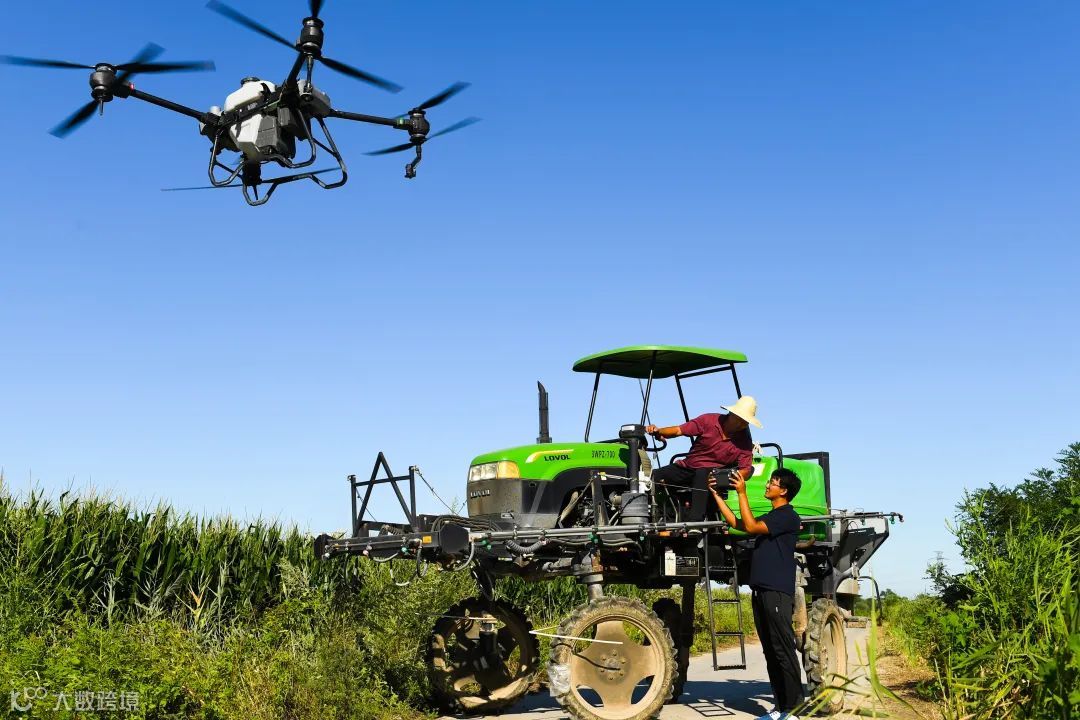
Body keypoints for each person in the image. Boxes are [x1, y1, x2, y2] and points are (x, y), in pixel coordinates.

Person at [710, 467, 806, 720]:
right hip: (761, 590)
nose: (767, 485)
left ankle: (794, 710)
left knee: (783, 650)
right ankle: (780, 708)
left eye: (772, 482)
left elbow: (751, 526)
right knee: (771, 651)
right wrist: (717, 496)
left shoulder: (788, 516)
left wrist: (742, 492)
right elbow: (738, 524)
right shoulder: (773, 516)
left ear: (783, 491)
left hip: (776, 591)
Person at [645, 395, 762, 519]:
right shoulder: (708, 420)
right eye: (740, 419)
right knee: (649, 478)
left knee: (703, 473)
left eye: (745, 422)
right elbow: (679, 430)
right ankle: (648, 515)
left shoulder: (745, 440)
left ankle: (696, 522)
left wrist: (723, 478)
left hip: (713, 474)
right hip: (688, 467)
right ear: (731, 414)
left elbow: (745, 470)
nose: (741, 424)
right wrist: (659, 431)